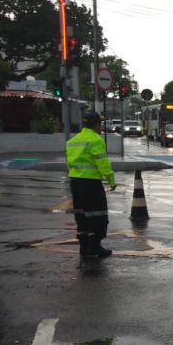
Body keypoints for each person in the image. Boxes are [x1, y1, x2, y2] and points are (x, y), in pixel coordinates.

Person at [66, 111, 116, 258]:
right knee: (97, 215)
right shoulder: (96, 140)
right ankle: (94, 247)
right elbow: (102, 163)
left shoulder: (73, 141)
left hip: (75, 183)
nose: (101, 127)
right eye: (100, 124)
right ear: (96, 125)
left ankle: (84, 247)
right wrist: (111, 180)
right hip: (91, 183)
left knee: (81, 215)